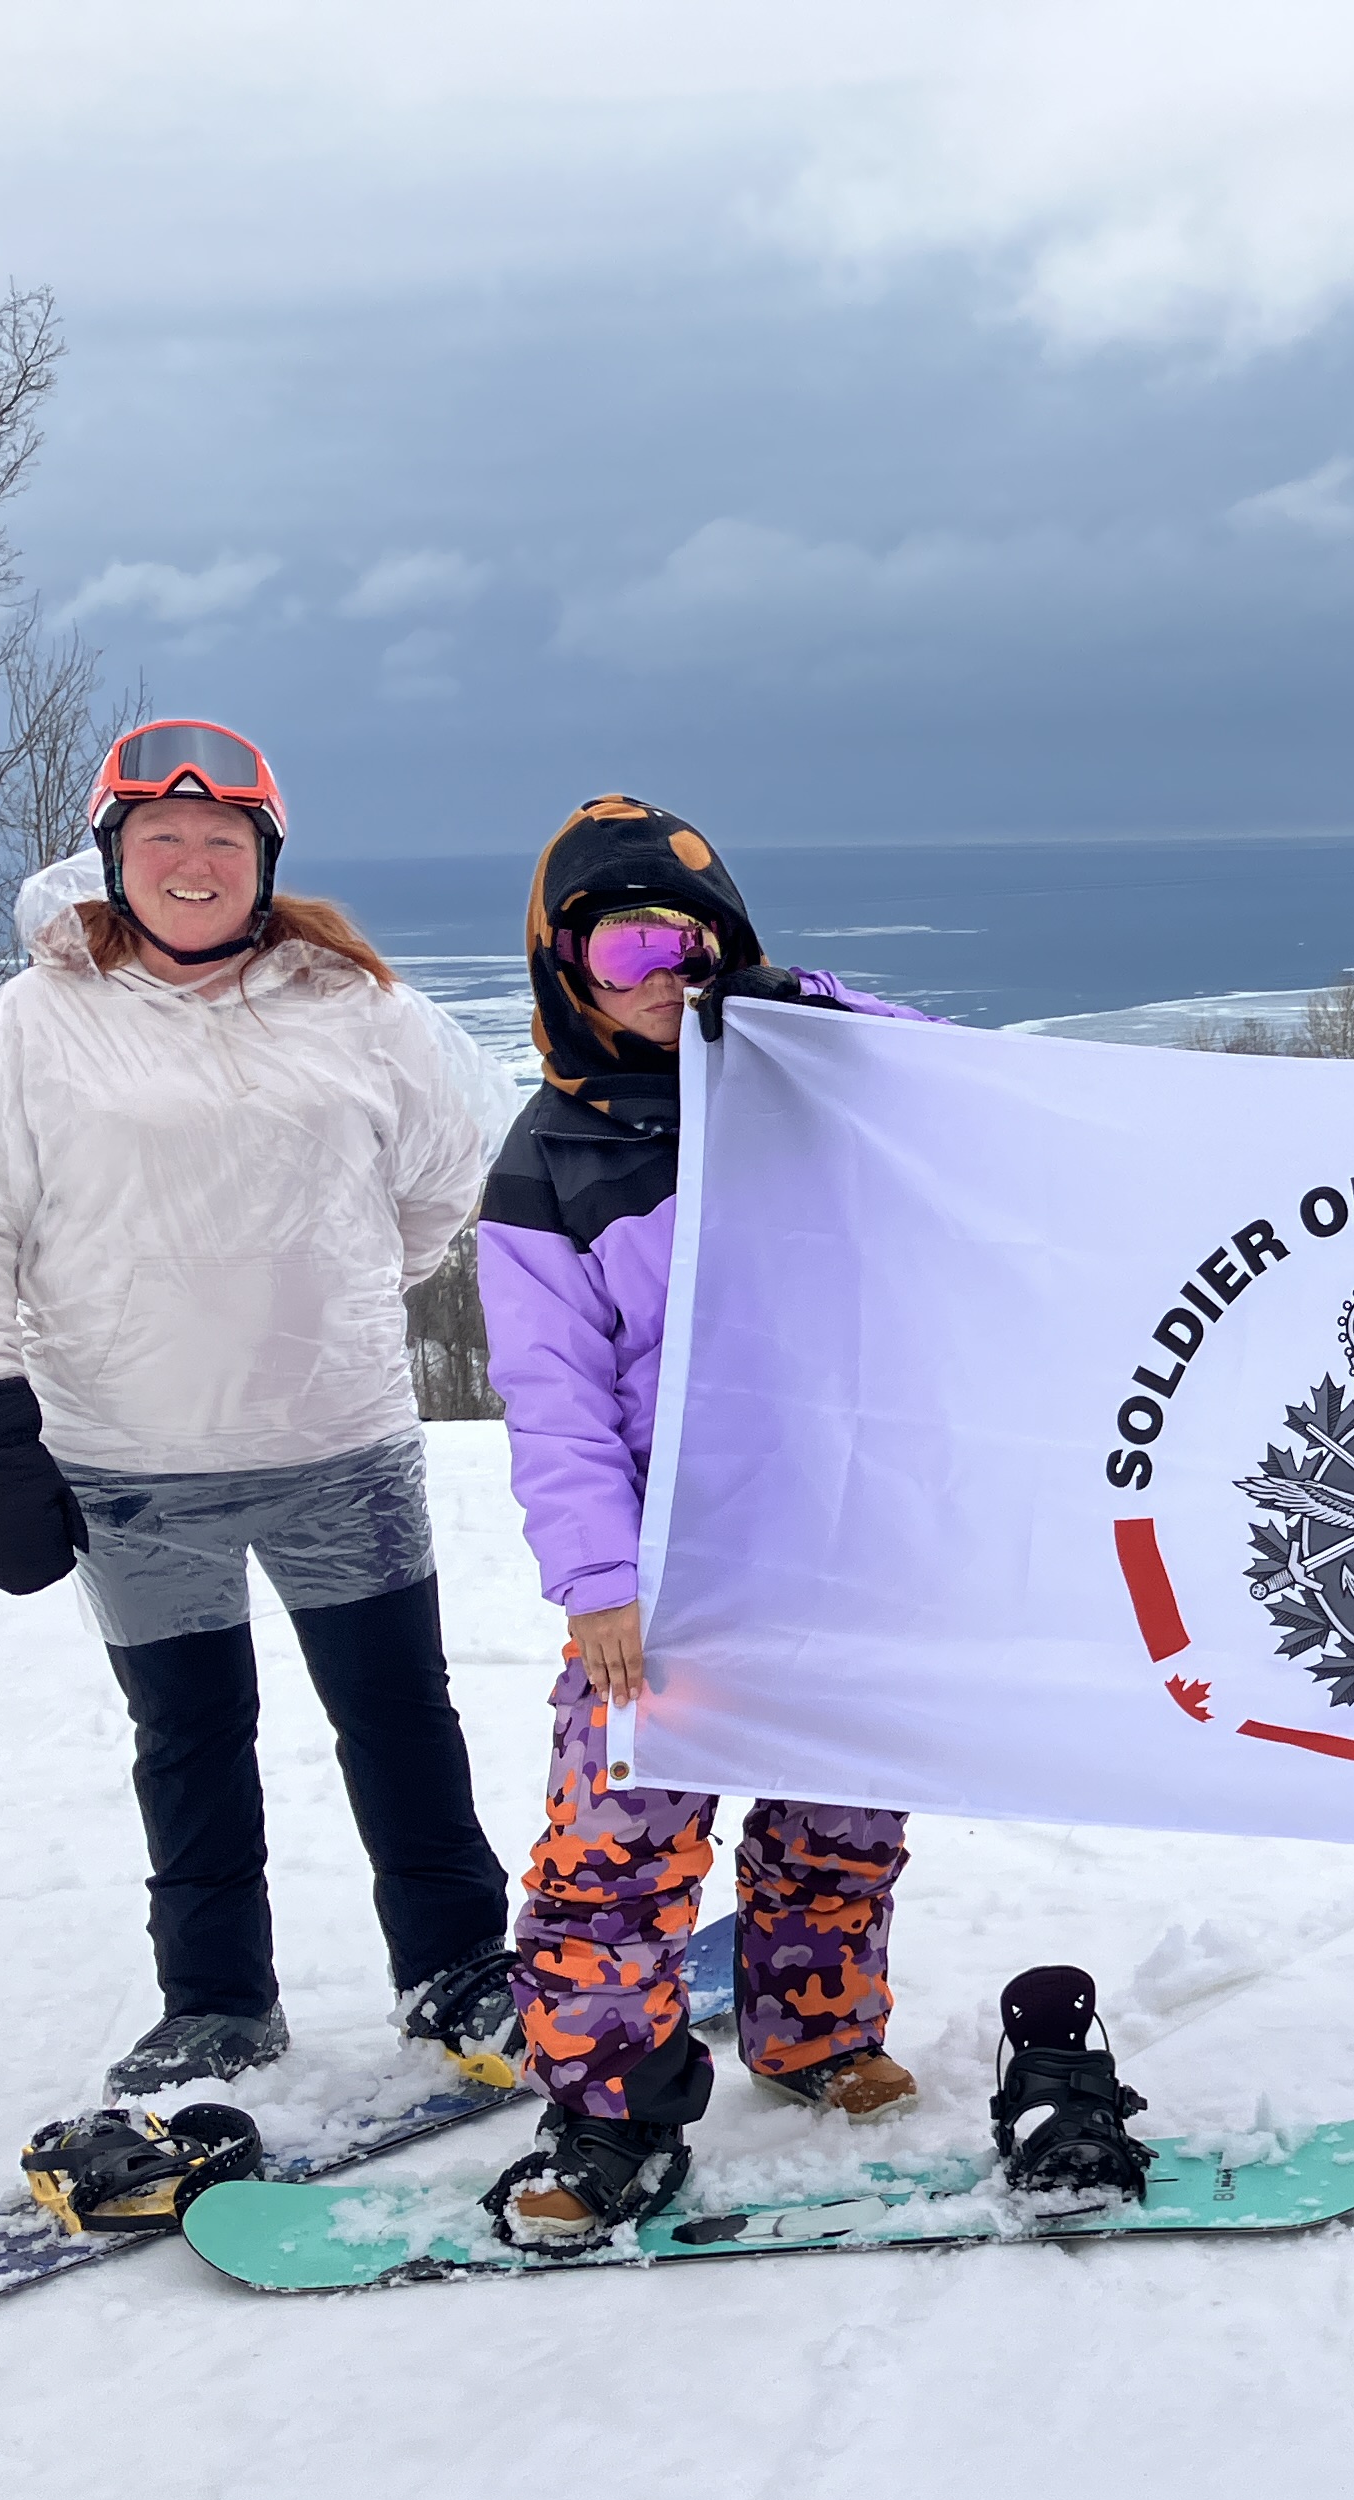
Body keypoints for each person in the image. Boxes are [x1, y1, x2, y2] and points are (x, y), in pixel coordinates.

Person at [0, 719, 518, 2098]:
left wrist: (355, 1285)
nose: (194, 862)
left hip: (339, 1442)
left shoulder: (360, 1007)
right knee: (188, 1740)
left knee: (402, 1720)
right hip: (132, 1460)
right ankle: (217, 2004)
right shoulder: (32, 1023)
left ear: (266, 861)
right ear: (114, 857)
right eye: (163, 839)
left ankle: (459, 1967)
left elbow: (443, 1176)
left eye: (223, 841)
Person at [469, 795, 935, 2248]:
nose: (667, 974)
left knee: (838, 1815)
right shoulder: (547, 1164)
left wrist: (813, 1011)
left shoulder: (813, 1095)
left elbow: (964, 1101)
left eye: (697, 944)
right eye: (629, 949)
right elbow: (554, 1408)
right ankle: (609, 2110)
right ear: (567, 970)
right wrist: (598, 1582)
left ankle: (814, 2026)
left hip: (836, 1538)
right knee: (611, 1849)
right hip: (663, 1574)